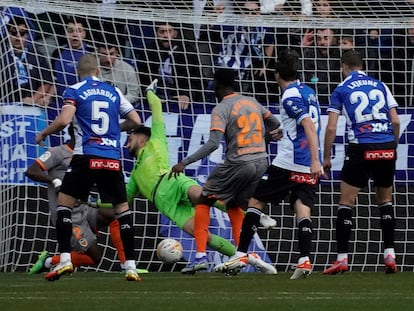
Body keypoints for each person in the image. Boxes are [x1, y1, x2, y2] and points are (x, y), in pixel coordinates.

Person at [35, 53, 142, 282]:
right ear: (97, 71)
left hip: (86, 156)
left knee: (64, 206)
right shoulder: (114, 91)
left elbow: (64, 121)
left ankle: (65, 260)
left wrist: (44, 132)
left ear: (78, 72)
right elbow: (136, 121)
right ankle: (131, 267)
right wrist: (114, 130)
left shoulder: (74, 90)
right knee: (122, 211)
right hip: (112, 159)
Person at [217, 48, 323, 279]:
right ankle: (304, 259)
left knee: (256, 200)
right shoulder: (307, 90)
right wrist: (284, 133)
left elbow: (308, 125)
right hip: (305, 162)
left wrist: (317, 160)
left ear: (277, 75)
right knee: (302, 208)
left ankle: (242, 253)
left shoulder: (289, 96)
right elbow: (307, 123)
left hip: (290, 161)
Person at [124, 79, 242, 274]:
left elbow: (156, 108)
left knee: (202, 196)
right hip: (166, 205)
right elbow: (124, 199)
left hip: (172, 181)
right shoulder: (135, 175)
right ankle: (238, 256)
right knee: (200, 233)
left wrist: (150, 92)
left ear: (142, 137)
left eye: (131, 137)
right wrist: (96, 203)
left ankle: (253, 215)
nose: (127, 141)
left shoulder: (156, 140)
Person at [170, 68, 281, 274]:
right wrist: (263, 140)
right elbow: (274, 124)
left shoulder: (221, 108)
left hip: (238, 162)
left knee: (204, 199)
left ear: (219, 85)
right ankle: (242, 253)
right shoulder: (252, 101)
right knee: (233, 203)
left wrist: (184, 162)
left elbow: (213, 144)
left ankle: (200, 257)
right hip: (260, 161)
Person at [323, 50, 400, 275]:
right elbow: (395, 120)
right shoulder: (380, 84)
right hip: (386, 144)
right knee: (385, 201)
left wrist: (326, 157)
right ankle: (390, 255)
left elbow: (330, 127)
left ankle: (342, 259)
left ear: (343, 67)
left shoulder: (342, 89)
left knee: (346, 202)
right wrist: (391, 145)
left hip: (361, 146)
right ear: (362, 65)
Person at [26, 125, 128, 274]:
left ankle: (126, 264)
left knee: (115, 215)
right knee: (94, 258)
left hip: (85, 208)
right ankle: (48, 261)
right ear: (77, 133)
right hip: (69, 216)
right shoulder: (57, 152)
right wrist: (54, 180)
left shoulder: (88, 155)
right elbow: (32, 171)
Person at [136, 21, 200, 110]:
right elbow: (141, 79)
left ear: (175, 34)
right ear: (156, 34)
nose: (165, 35)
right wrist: (149, 95)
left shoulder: (187, 52)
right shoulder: (147, 52)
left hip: (179, 100)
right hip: (155, 98)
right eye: (162, 32)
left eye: (169, 31)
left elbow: (198, 80)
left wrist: (187, 95)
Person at [1, 15, 54, 106]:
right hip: (3, 106)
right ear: (7, 33)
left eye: (22, 33)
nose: (18, 36)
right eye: (14, 33)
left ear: (27, 34)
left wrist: (33, 99)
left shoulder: (37, 56)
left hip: (30, 107)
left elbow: (46, 82)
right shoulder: (2, 54)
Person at [97, 36, 141, 106]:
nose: (108, 59)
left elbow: (134, 96)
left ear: (117, 53)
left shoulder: (127, 69)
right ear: (98, 52)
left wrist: (113, 100)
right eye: (104, 54)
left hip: (120, 107)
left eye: (111, 54)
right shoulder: (90, 68)